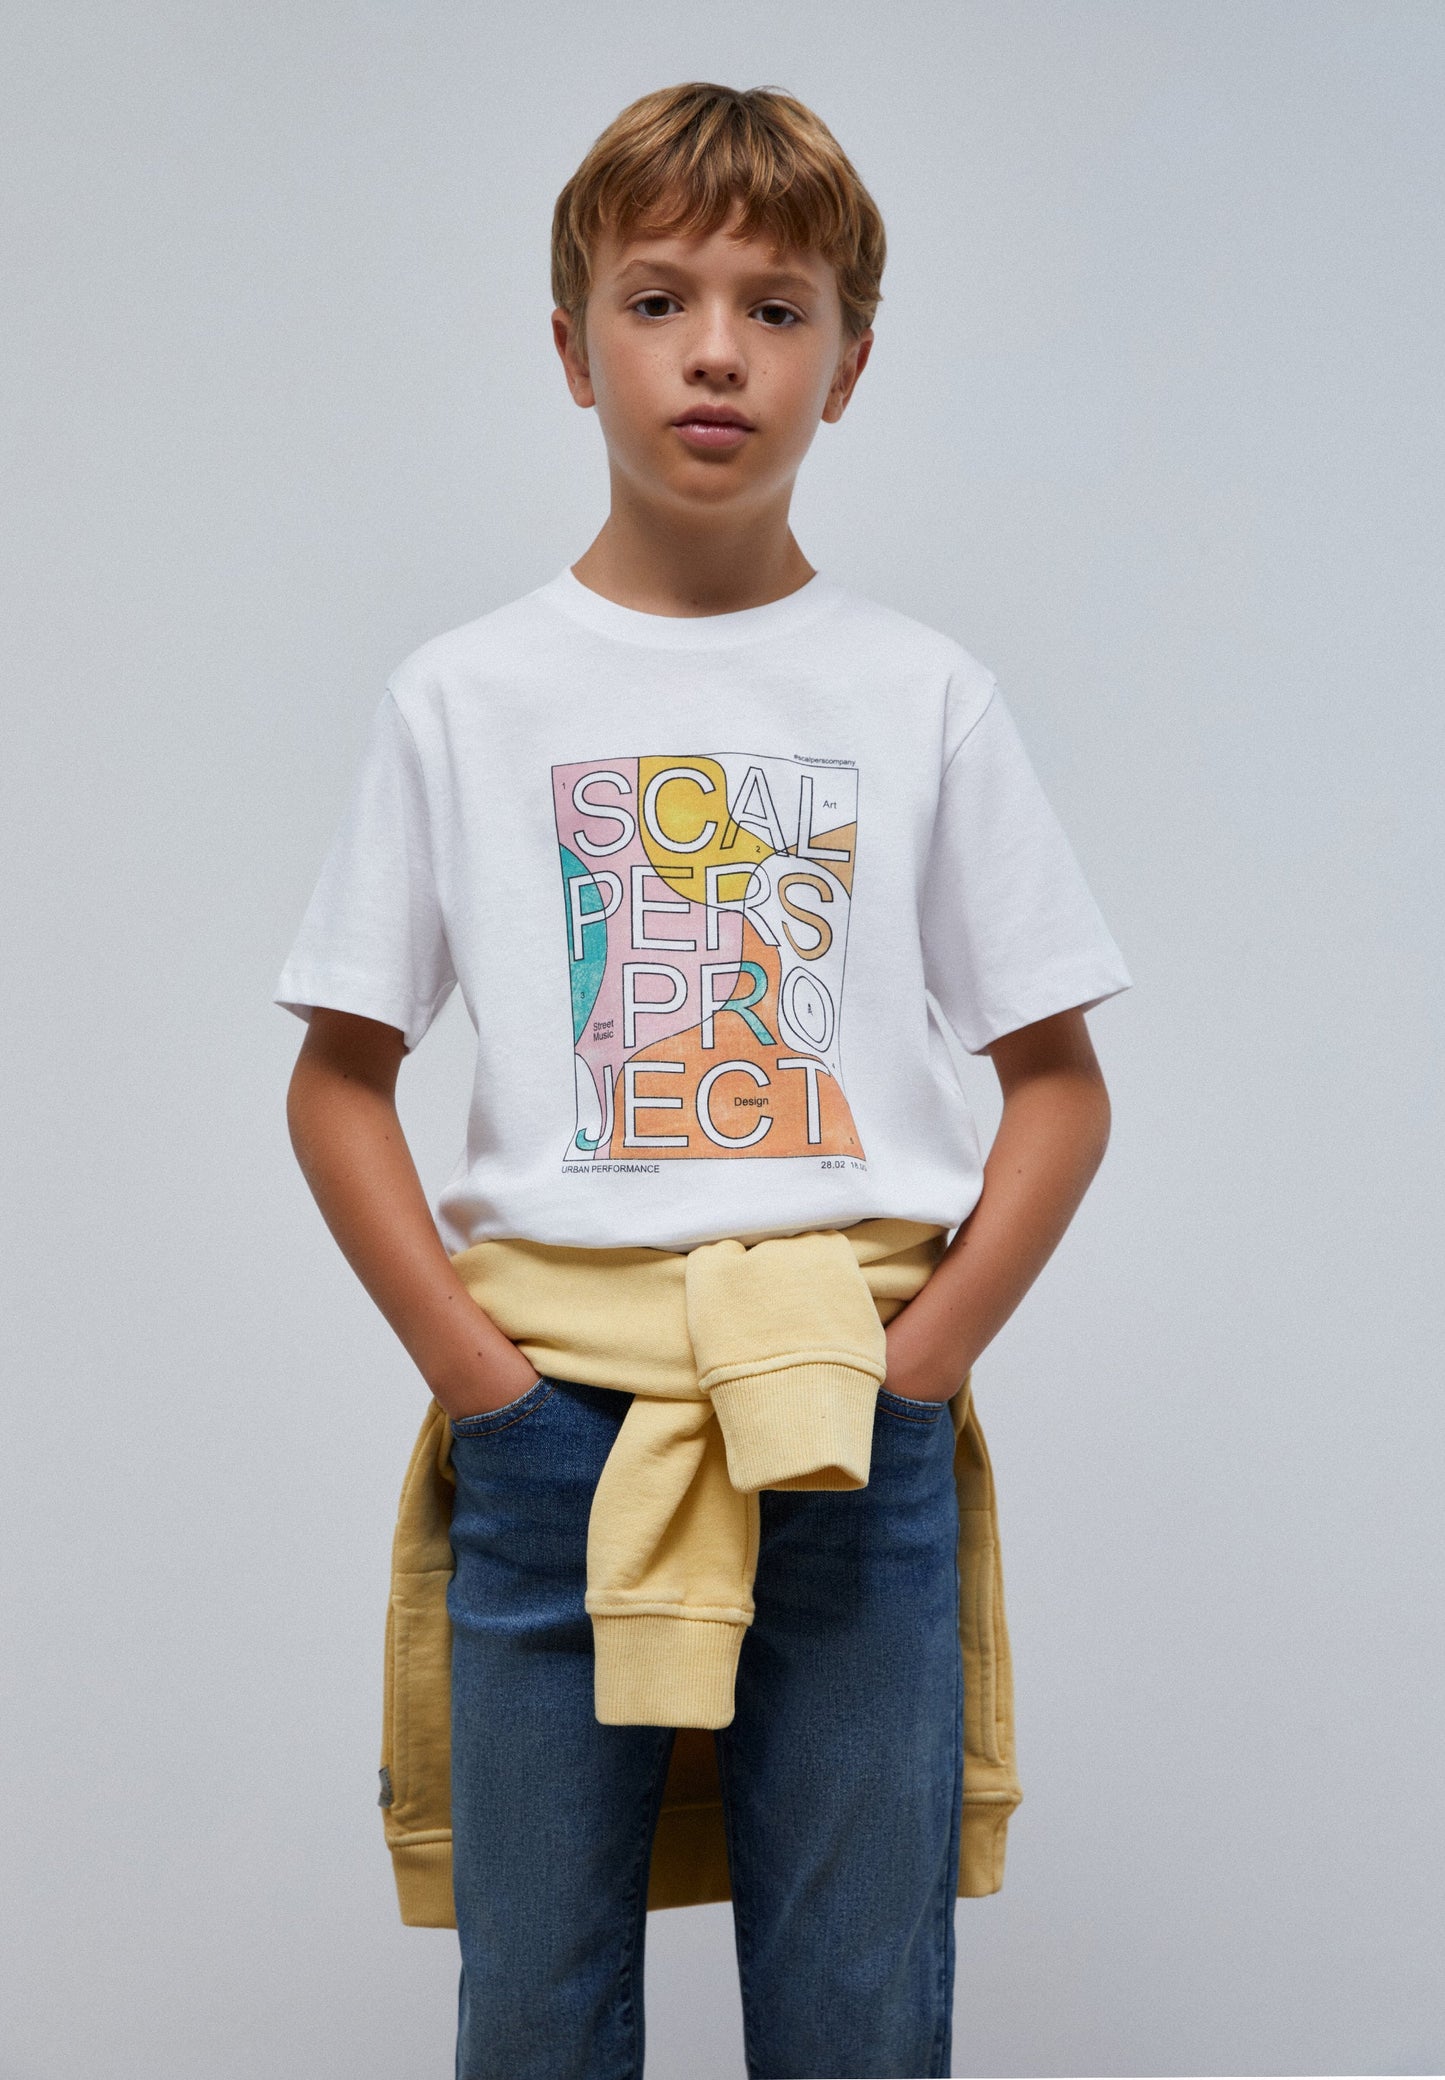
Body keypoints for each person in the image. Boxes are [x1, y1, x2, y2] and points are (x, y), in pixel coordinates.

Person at [274, 80, 1132, 2080]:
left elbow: (1061, 1083)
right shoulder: (465, 696)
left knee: (857, 2018)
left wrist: (914, 1371)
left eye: (777, 306)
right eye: (658, 301)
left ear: (850, 360)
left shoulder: (920, 693)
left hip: (840, 1417)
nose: (718, 350)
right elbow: (338, 1077)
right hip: (553, 1427)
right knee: (536, 2015)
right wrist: (485, 1386)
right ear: (573, 347)